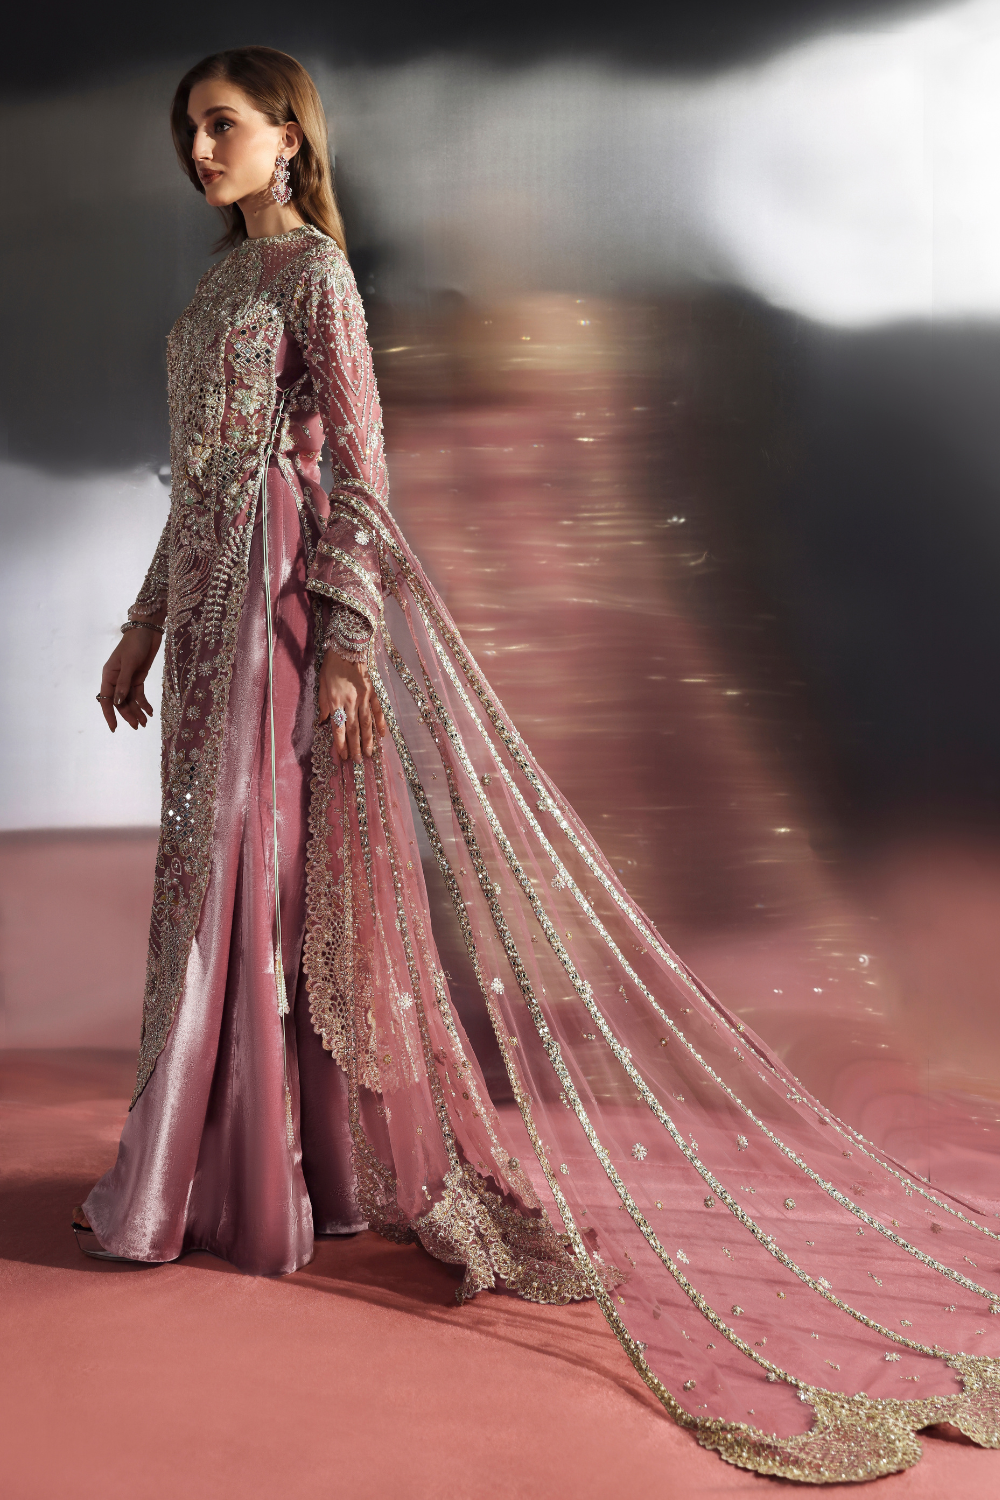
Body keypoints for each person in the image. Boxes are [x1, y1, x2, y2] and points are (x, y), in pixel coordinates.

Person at [75, 46, 1000, 1483]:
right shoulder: (214, 294)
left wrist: (348, 640)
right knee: (207, 872)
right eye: (188, 129)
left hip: (281, 611)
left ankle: (253, 1179)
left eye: (224, 125)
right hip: (203, 621)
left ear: (290, 139)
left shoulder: (316, 277)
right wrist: (140, 632)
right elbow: (195, 488)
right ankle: (224, 1161)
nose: (200, 149)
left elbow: (361, 466)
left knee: (260, 875)